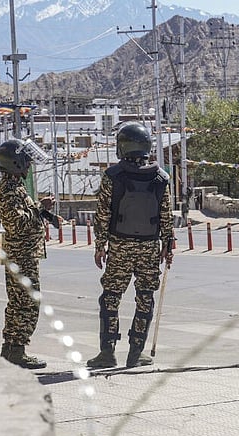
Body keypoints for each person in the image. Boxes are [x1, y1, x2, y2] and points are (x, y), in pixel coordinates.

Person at [87, 122, 174, 369]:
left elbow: (102, 213)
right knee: (145, 297)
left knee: (111, 297)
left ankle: (107, 352)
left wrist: (100, 245)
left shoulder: (113, 176)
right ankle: (136, 352)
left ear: (122, 147)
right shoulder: (161, 178)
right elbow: (166, 215)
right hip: (149, 248)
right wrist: (168, 244)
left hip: (120, 246)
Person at [0, 138, 64, 369]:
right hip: (21, 255)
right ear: (15, 163)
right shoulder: (7, 190)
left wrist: (45, 214)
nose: (29, 166)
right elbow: (17, 223)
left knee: (19, 302)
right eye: (25, 161)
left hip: (25, 254)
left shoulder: (15, 186)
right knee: (26, 303)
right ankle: (17, 350)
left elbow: (26, 213)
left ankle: (11, 349)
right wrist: (40, 208)